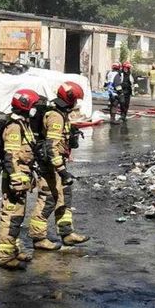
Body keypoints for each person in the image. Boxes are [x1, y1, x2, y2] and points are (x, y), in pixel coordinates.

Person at [30, 82, 90, 250]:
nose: (76, 103)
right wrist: (62, 171)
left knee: (64, 195)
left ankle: (67, 233)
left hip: (57, 163)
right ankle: (38, 237)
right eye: (75, 99)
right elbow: (51, 146)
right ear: (69, 99)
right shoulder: (55, 116)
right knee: (47, 198)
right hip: (50, 165)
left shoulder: (61, 113)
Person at [0, 89, 40, 270]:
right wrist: (16, 179)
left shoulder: (23, 124)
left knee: (18, 217)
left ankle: (14, 250)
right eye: (33, 106)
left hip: (22, 177)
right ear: (25, 106)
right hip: (15, 180)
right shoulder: (14, 127)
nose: (35, 110)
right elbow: (10, 156)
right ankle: (5, 257)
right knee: (11, 217)